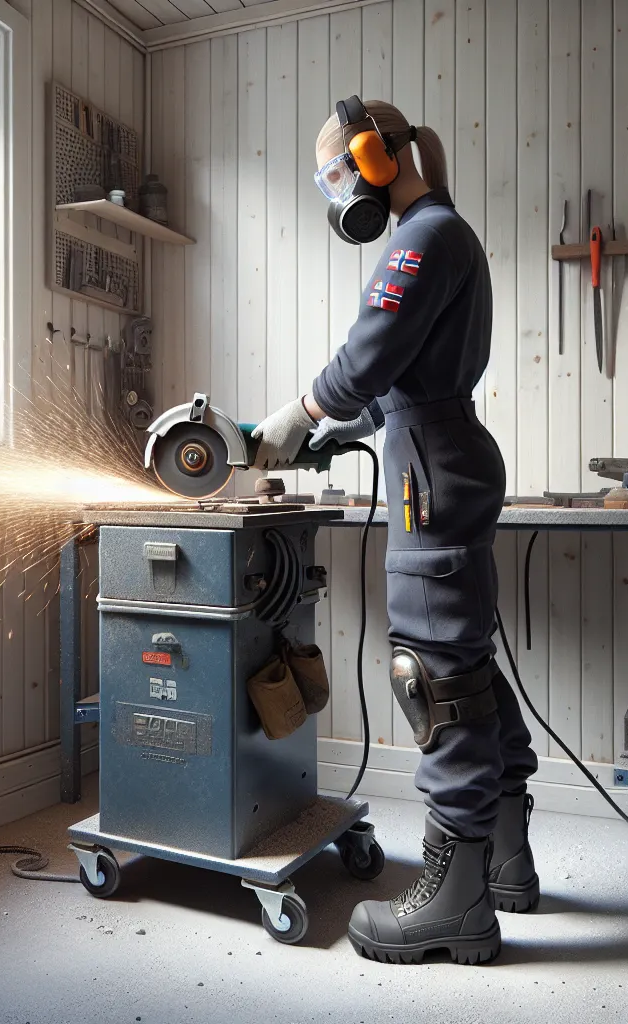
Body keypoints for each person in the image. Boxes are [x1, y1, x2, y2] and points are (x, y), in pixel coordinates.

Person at [249, 97, 540, 966]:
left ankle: (454, 899)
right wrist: (333, 429)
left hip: (432, 469)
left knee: (431, 674)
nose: (337, 192)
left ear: (377, 158)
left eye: (338, 172)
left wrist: (299, 410)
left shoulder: (423, 236)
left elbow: (371, 352)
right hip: (435, 445)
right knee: (466, 663)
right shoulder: (440, 233)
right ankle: (507, 860)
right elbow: (397, 380)